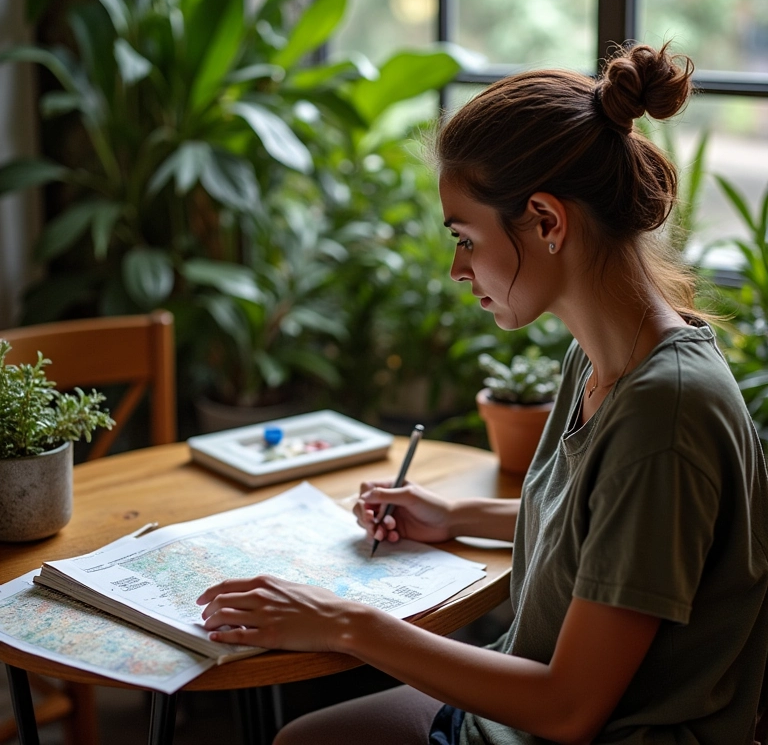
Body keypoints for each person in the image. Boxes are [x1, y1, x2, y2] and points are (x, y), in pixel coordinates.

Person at [196, 43, 768, 744]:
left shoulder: (663, 414)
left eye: (465, 238)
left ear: (547, 221)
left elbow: (568, 708)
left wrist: (345, 624)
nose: (456, 268)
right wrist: (455, 515)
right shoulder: (603, 360)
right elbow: (606, 527)